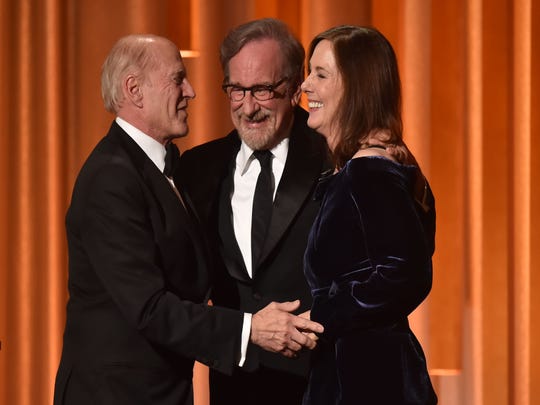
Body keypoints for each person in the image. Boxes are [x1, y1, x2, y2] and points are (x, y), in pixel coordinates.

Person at [53, 33, 323, 405]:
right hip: (116, 394)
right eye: (178, 78)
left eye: (260, 89)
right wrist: (250, 329)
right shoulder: (111, 178)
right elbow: (149, 307)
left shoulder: (172, 170)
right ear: (135, 90)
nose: (191, 91)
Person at [178, 19, 330, 405]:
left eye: (262, 89)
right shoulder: (198, 168)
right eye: (236, 90)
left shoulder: (335, 159)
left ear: (296, 86)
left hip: (322, 384)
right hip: (234, 389)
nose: (248, 107)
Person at [300, 25, 438, 404]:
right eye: (309, 72)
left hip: (366, 382)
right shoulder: (375, 168)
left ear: (356, 88)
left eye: (321, 75)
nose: (305, 86)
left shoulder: (369, 173)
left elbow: (406, 273)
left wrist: (323, 314)